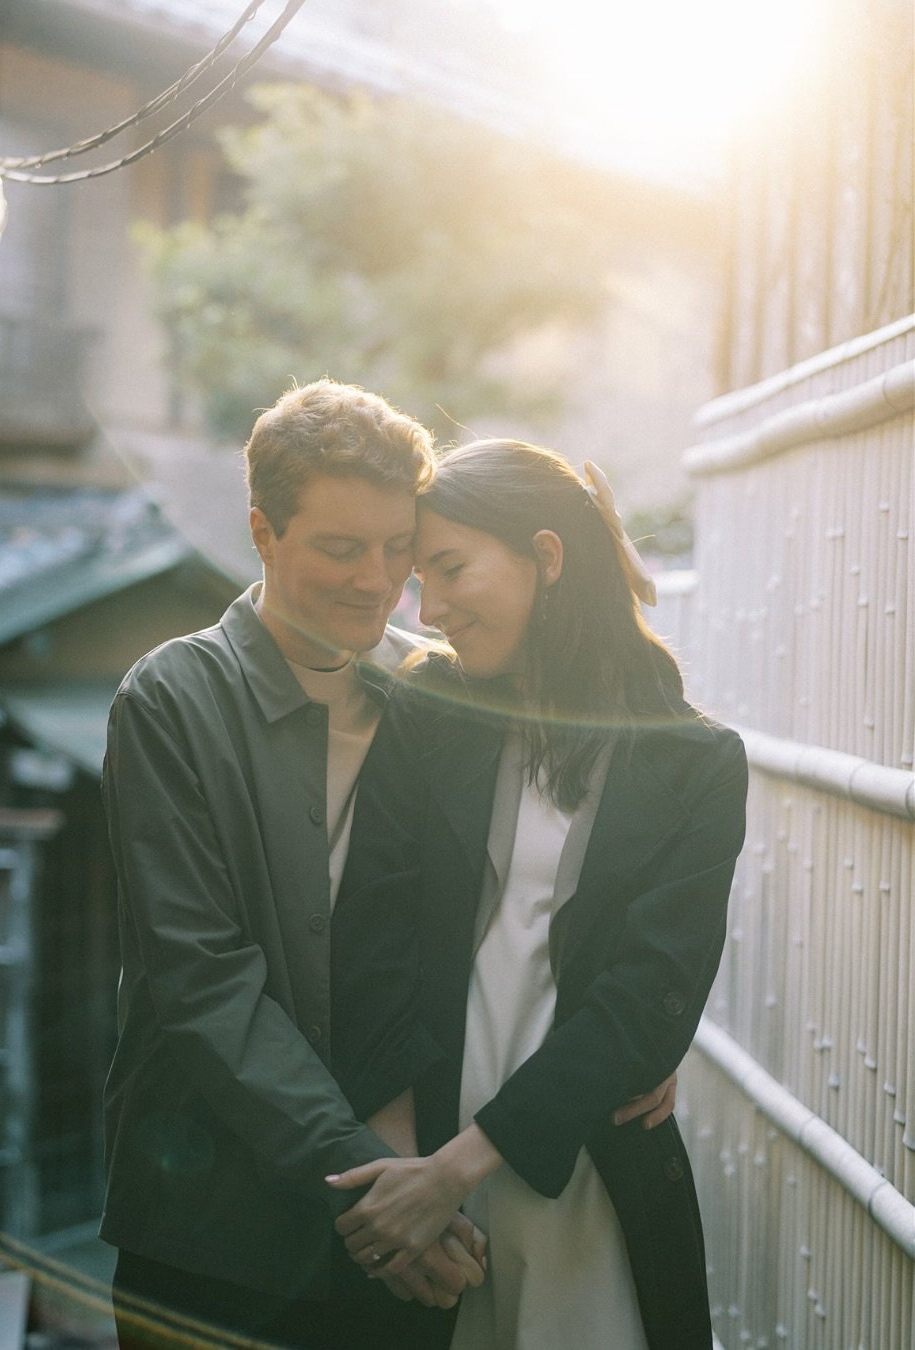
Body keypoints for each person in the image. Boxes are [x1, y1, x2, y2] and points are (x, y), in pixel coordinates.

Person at [328, 440, 748, 1349]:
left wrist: (459, 1167)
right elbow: (373, 935)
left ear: (547, 558)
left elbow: (646, 999)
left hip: (588, 1185)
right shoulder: (430, 707)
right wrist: (410, 1176)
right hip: (427, 1190)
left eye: (449, 568)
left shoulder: (696, 764)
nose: (428, 607)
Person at [100, 379, 484, 1350]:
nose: (378, 580)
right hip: (215, 1230)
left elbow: (532, 891)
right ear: (264, 534)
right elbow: (206, 986)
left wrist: (633, 1047)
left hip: (406, 1213)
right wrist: (378, 1191)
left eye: (399, 549)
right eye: (341, 548)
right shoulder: (173, 699)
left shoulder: (436, 697)